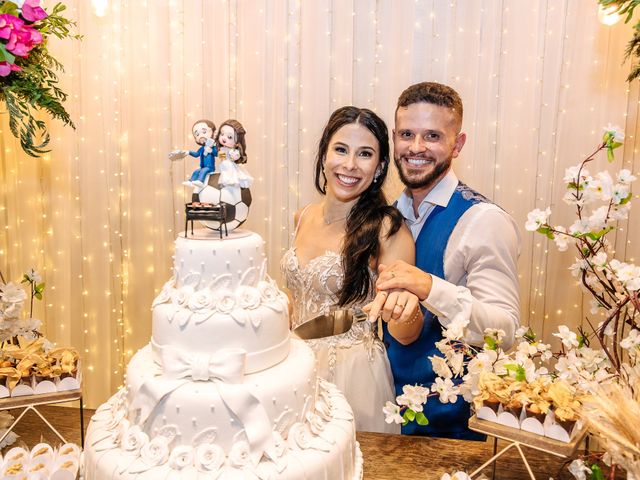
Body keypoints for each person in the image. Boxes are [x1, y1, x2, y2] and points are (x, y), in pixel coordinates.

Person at [366, 82, 521, 439]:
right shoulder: (385, 218)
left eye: (432, 136)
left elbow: (505, 332)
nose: (416, 148)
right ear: (394, 137)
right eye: (407, 134)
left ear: (458, 144)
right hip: (382, 414)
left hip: (452, 432)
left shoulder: (484, 220)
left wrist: (429, 287)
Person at [281, 106, 420, 433]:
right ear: (325, 152)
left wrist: (404, 311)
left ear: (380, 165)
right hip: (293, 364)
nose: (349, 165)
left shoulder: (388, 228)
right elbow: (299, 292)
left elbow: (406, 333)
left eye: (365, 154)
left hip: (352, 373)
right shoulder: (302, 217)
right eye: (341, 149)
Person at [169, 119, 218, 189]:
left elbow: (217, 154)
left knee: (203, 171)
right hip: (203, 167)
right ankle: (191, 181)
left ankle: (200, 181)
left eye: (204, 132)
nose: (201, 136)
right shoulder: (202, 149)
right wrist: (188, 152)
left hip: (210, 167)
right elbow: (196, 154)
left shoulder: (212, 147)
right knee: (196, 171)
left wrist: (211, 151)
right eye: (197, 134)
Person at [215, 119, 253, 190]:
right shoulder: (222, 149)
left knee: (231, 170)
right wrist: (221, 154)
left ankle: (231, 181)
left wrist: (234, 155)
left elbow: (235, 157)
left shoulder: (234, 150)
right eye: (222, 134)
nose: (224, 138)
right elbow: (221, 157)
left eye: (229, 137)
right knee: (224, 168)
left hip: (230, 164)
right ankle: (225, 183)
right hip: (223, 164)